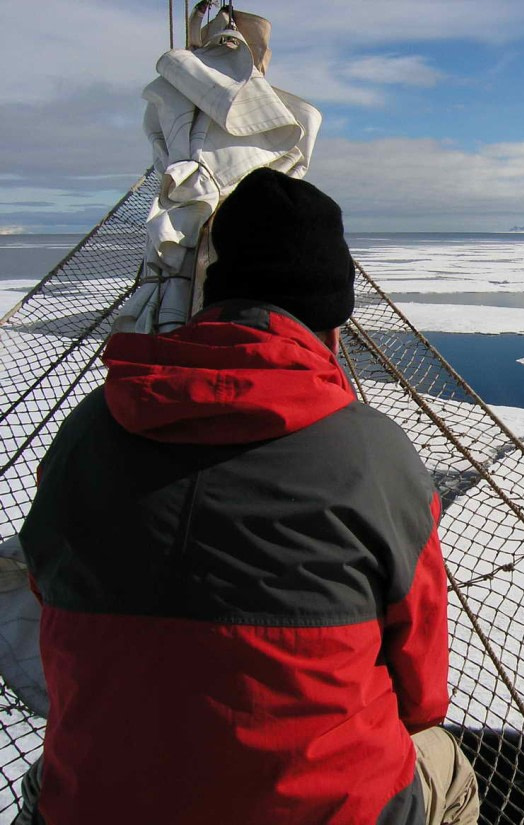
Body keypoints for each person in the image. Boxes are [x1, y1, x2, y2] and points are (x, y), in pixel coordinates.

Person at [16, 168, 479, 825]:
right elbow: (423, 696)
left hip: (95, 802)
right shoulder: (373, 453)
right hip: (326, 807)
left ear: (214, 298)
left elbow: (47, 587)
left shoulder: (90, 427)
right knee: (447, 767)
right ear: (331, 325)